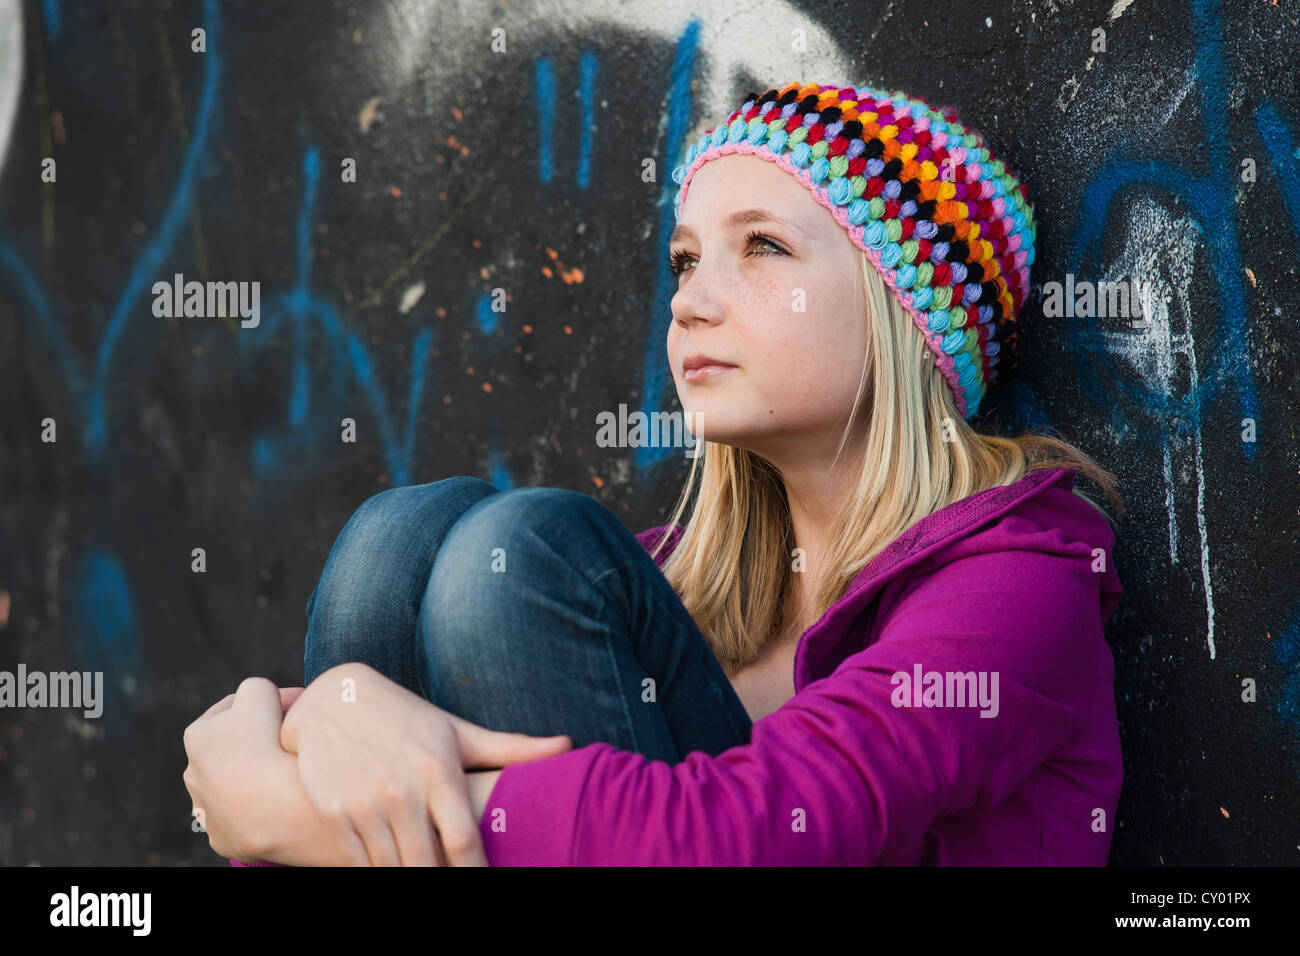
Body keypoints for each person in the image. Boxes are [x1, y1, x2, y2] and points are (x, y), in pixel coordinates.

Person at [183, 80, 1126, 866]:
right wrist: (343, 706)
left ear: (905, 313)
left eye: (763, 248)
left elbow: (724, 840)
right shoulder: (654, 591)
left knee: (512, 556)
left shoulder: (1019, 587)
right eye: (684, 260)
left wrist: (289, 809)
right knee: (397, 542)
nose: (693, 302)